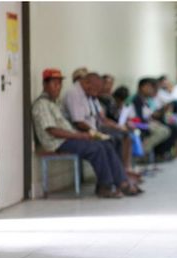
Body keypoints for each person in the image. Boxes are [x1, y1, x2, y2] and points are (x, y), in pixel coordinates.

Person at [32, 68, 140, 198]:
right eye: (54, 84)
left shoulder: (55, 103)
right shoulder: (42, 104)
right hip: (57, 142)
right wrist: (80, 135)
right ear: (45, 84)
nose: (58, 87)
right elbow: (52, 131)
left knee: (105, 144)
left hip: (68, 138)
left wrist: (84, 135)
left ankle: (122, 182)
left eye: (59, 84)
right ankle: (104, 186)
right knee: (96, 148)